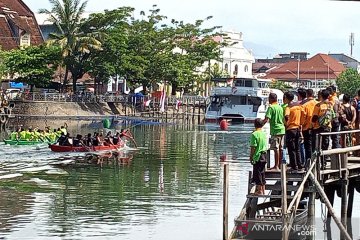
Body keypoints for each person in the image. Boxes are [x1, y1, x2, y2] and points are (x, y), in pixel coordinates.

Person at [312, 89, 335, 170]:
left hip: (318, 128)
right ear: (328, 96)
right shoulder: (330, 105)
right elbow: (333, 116)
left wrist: (312, 124)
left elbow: (314, 118)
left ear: (321, 96)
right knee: (325, 145)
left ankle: (317, 163)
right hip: (327, 127)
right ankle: (324, 163)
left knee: (317, 146)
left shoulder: (318, 105)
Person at [263, 93, 285, 171]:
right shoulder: (280, 107)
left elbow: (266, 119)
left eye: (269, 99)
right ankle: (280, 165)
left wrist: (259, 126)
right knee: (281, 148)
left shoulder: (271, 108)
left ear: (271, 99)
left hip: (275, 130)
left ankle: (276, 166)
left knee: (276, 149)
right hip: (282, 129)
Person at [284, 92, 305, 172]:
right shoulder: (298, 107)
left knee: (291, 149)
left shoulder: (288, 108)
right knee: (297, 148)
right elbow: (304, 114)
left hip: (290, 129)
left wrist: (287, 123)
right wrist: (301, 123)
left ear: (286, 98)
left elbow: (286, 116)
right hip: (297, 128)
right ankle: (299, 164)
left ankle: (294, 166)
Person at [249, 118, 268, 195]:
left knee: (257, 173)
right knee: (262, 172)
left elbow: (253, 147)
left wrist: (251, 156)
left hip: (258, 156)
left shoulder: (254, 134)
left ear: (254, 125)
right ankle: (263, 190)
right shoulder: (264, 133)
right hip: (264, 155)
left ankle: (259, 191)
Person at [302, 89, 317, 163]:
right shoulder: (317, 104)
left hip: (306, 128)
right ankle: (316, 161)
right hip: (316, 128)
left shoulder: (304, 106)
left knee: (307, 146)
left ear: (307, 95)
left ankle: (308, 162)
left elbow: (303, 118)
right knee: (315, 146)